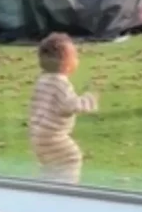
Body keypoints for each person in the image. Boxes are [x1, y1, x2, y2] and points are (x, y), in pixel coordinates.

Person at [29, 32, 98, 183]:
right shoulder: (60, 83)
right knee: (71, 158)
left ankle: (43, 188)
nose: (77, 60)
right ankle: (65, 192)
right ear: (66, 63)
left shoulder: (43, 80)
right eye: (75, 56)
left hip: (38, 136)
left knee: (51, 165)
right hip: (53, 137)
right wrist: (88, 100)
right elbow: (69, 105)